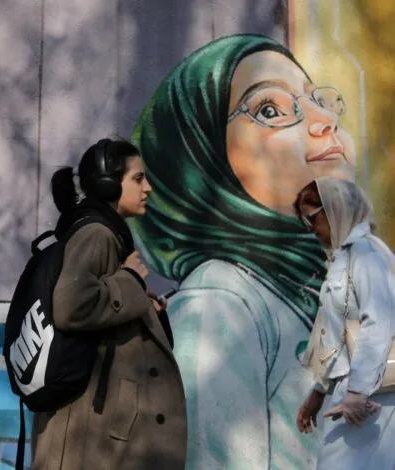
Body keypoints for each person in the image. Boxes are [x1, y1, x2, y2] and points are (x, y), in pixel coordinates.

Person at [129, 34, 357, 469]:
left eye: (317, 99)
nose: (323, 120)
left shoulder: (319, 286)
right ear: (201, 161)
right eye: (270, 109)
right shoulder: (219, 304)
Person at [29, 138, 187, 470]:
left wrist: (144, 310)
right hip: (93, 433)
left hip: (99, 427)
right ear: (108, 183)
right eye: (138, 179)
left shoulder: (104, 232)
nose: (148, 189)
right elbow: (73, 305)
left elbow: (101, 308)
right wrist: (130, 280)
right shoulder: (97, 234)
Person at [295, 177, 395, 470]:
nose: (310, 229)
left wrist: (357, 392)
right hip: (354, 395)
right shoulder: (345, 256)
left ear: (335, 208)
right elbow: (336, 334)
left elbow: (379, 321)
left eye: (312, 218)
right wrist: (319, 391)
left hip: (374, 397)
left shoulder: (367, 253)